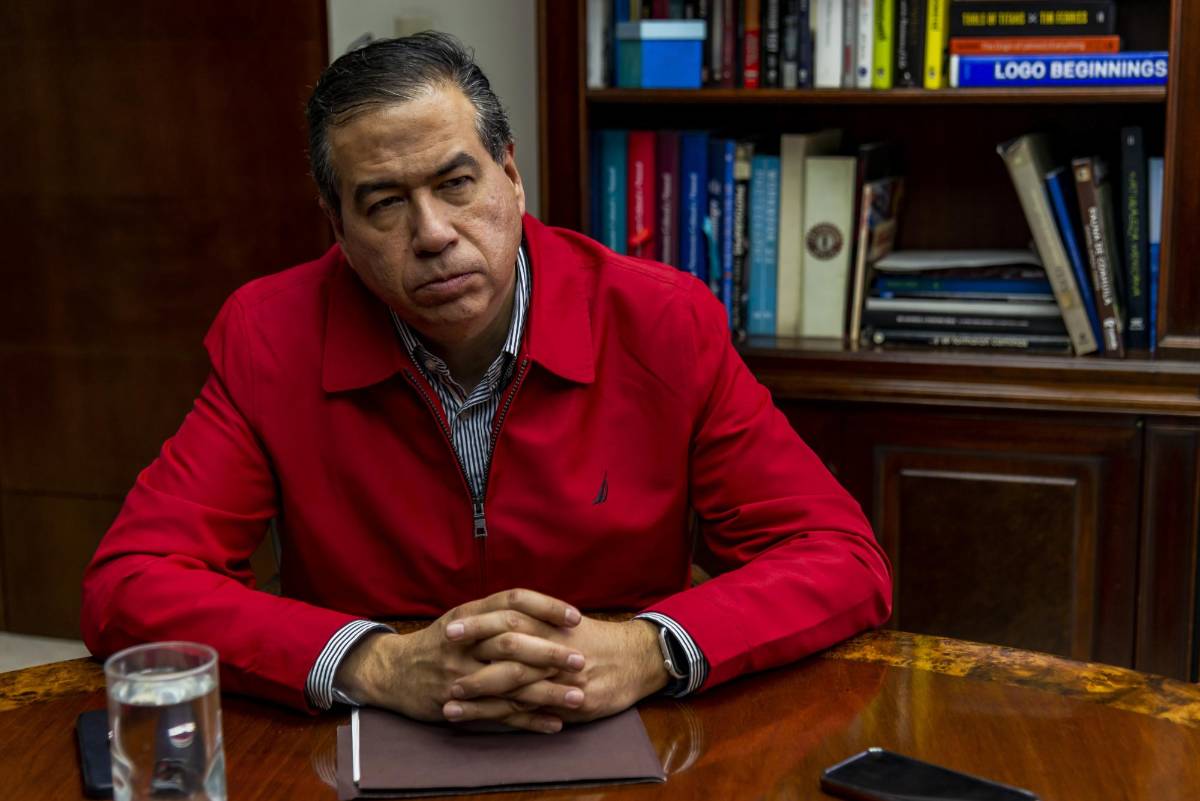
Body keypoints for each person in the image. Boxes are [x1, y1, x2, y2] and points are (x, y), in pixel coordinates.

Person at [81, 32, 892, 734]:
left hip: (625, 725)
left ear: (511, 175)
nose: (433, 233)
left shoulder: (661, 322)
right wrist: (376, 662)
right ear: (339, 228)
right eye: (385, 203)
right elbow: (130, 584)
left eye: (456, 183)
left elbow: (841, 557)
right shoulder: (270, 336)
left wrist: (647, 649)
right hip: (370, 730)